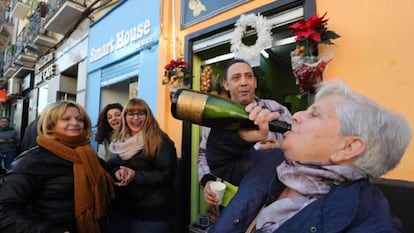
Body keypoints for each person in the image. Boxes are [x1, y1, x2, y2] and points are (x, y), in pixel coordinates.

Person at [211, 80, 412, 232]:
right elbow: (221, 163)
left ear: (348, 147)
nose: (296, 116)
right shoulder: (273, 160)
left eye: (314, 115)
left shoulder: (369, 224)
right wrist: (238, 136)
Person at [197, 59, 292, 231]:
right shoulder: (215, 119)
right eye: (236, 77)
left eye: (248, 76)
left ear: (255, 82)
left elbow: (296, 141)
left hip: (268, 202)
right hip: (228, 201)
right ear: (226, 85)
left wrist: (280, 147)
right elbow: (204, 155)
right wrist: (208, 182)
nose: (243, 82)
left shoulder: (275, 110)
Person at [0, 101, 115, 233]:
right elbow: (4, 210)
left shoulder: (86, 153)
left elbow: (106, 173)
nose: (75, 123)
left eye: (79, 119)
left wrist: (119, 172)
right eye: (66, 119)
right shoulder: (33, 160)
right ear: (50, 124)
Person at [108, 98, 177, 233]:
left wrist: (136, 176)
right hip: (122, 211)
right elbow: (112, 166)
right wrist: (116, 172)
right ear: (125, 117)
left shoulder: (160, 141)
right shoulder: (118, 140)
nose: (135, 118)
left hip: (151, 215)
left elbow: (168, 174)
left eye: (140, 114)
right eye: (130, 114)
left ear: (148, 116)